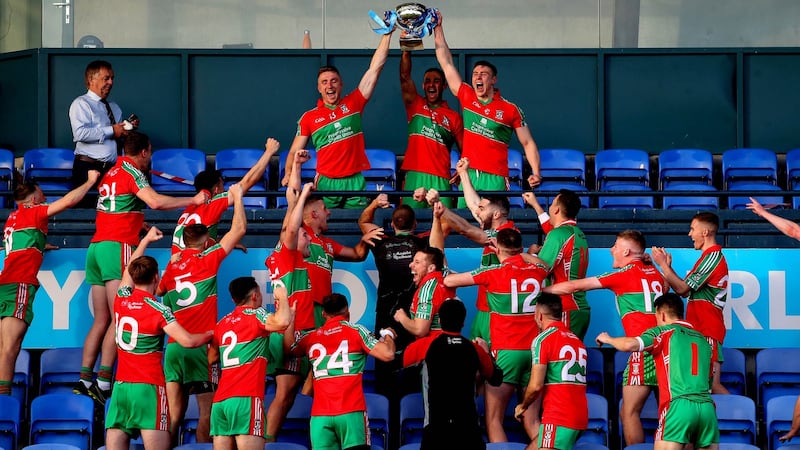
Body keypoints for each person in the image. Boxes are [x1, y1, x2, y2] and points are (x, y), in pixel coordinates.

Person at [74, 131, 207, 405]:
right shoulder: (133, 172)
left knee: (101, 320)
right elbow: (156, 202)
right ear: (145, 152)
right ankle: (103, 382)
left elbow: (118, 207)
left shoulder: (112, 171)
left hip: (96, 247)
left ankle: (84, 379)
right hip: (116, 247)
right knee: (118, 315)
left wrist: (138, 224)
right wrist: (192, 201)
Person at [544, 229, 665, 447]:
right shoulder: (655, 273)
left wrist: (540, 290)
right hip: (667, 347)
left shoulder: (623, 275)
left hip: (643, 348)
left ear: (627, 251)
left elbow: (573, 286)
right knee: (667, 413)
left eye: (616, 245)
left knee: (628, 413)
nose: (612, 249)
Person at [105, 226, 214, 450]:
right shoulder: (159, 310)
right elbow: (188, 341)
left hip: (121, 387)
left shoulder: (121, 299)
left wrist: (145, 241)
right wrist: (212, 333)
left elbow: (127, 271)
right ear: (157, 277)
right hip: (149, 389)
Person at [155, 183, 248, 443]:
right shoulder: (209, 258)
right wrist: (238, 197)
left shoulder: (173, 267)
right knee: (207, 410)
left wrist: (172, 266)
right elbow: (239, 229)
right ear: (207, 242)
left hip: (174, 346)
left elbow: (160, 292)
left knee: (174, 413)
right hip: (199, 346)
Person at [444, 228, 549, 444]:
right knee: (532, 420)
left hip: (506, 352)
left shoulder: (492, 273)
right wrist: (522, 254)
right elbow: (545, 265)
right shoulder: (538, 272)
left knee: (493, 420)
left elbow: (449, 282)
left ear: (497, 248)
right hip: (535, 352)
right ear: (520, 249)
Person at [0, 170, 100, 396]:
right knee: (10, 348)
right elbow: (68, 201)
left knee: (4, 348)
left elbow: (21, 244)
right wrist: (90, 181)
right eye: (43, 196)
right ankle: (3, 402)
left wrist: (41, 245)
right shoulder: (33, 212)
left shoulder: (12, 218)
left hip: (5, 284)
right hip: (19, 284)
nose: (45, 200)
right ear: (34, 199)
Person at [432, 11, 541, 207]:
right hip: (468, 175)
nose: (478, 77)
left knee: (494, 226)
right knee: (465, 226)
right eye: (475, 74)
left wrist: (535, 172)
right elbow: (446, 62)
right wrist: (438, 28)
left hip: (496, 178)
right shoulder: (467, 96)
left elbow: (528, 143)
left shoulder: (510, 109)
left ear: (493, 80)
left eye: (483, 74)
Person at [281, 31, 394, 209]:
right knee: (323, 227)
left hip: (354, 180)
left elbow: (375, 69)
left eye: (334, 81)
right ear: (319, 88)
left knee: (357, 227)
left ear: (341, 85)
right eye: (324, 82)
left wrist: (386, 36)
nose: (330, 85)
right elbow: (295, 150)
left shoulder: (354, 102)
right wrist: (288, 173)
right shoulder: (309, 117)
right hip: (326, 182)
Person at [596, 293, 720, 450]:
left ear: (661, 314)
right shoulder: (703, 340)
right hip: (707, 408)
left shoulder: (663, 332)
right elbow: (710, 377)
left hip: (678, 406)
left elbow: (630, 345)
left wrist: (608, 339)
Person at [287, 293, 396, 450]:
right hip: (351, 413)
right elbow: (388, 354)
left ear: (323, 314)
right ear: (347, 312)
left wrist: (291, 318)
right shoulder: (356, 331)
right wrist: (389, 335)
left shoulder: (311, 337)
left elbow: (289, 347)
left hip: (320, 417)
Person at [432, 157, 518, 344]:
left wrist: (443, 210)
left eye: (482, 209)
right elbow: (473, 205)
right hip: (483, 310)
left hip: (497, 313)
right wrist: (463, 173)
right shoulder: (494, 226)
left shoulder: (507, 235)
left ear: (496, 214)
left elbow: (468, 231)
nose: (477, 212)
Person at [402, 299, 503, 450]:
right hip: (468, 430)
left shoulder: (425, 345)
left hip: (436, 429)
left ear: (440, 320)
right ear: (463, 322)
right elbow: (496, 378)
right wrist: (488, 354)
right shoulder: (475, 349)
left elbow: (394, 362)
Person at [210, 276, 293, 450]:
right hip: (246, 399)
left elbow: (211, 358)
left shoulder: (222, 323)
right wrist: (283, 296)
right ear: (255, 295)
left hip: (220, 402)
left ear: (234, 300)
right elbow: (283, 322)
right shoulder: (256, 314)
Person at [263, 169, 316, 443]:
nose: (309, 240)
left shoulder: (282, 256)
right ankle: (267, 441)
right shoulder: (289, 257)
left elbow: (288, 227)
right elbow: (292, 229)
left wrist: (292, 200)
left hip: (295, 330)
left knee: (293, 391)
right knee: (283, 395)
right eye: (307, 237)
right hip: (292, 331)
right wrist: (304, 194)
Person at [651, 212, 729, 394]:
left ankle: (737, 416)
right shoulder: (706, 258)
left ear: (706, 232)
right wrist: (667, 268)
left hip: (708, 329)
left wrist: (663, 265)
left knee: (711, 386)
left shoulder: (713, 257)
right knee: (703, 386)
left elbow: (682, 290)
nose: (689, 234)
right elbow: (684, 291)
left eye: (693, 229)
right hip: (700, 330)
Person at [358, 194, 428, 395]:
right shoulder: (422, 243)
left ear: (391, 223)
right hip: (413, 315)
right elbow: (445, 226)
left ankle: (386, 411)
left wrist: (374, 203)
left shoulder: (380, 240)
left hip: (386, 313)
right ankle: (410, 409)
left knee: (384, 363)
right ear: (415, 223)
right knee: (412, 363)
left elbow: (363, 222)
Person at [171, 137, 279, 253]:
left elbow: (197, 241)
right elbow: (247, 182)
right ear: (216, 190)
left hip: (176, 267)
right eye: (223, 186)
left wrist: (225, 242)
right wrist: (269, 152)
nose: (225, 190)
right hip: (195, 268)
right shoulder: (212, 203)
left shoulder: (189, 209)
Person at [515, 293, 588, 450]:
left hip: (558, 416)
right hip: (579, 415)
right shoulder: (576, 340)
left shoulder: (543, 339)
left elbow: (535, 386)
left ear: (539, 315)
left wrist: (523, 405)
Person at [523, 189, 591, 340]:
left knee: (560, 360)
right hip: (578, 307)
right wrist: (536, 205)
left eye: (552, 203)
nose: (550, 207)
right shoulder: (576, 232)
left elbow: (541, 269)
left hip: (565, 307)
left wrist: (527, 255)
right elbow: (553, 230)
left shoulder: (558, 235)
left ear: (557, 209)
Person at [399, 50, 463, 208]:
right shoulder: (415, 104)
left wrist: (462, 173)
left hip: (441, 178)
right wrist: (406, 51)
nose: (431, 85)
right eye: (427, 81)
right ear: (423, 85)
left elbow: (465, 150)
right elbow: (405, 77)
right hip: (415, 175)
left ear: (444, 86)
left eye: (436, 81)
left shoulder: (454, 117)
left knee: (443, 224)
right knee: (409, 222)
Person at [69, 60, 137, 207]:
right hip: (88, 169)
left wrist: (126, 130)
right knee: (86, 215)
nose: (111, 82)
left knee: (110, 211)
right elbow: (79, 134)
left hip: (111, 169)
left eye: (112, 78)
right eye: (106, 78)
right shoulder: (81, 103)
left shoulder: (114, 107)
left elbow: (116, 137)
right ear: (91, 80)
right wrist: (112, 130)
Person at [394, 201, 454, 339]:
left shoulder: (428, 290)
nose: (411, 265)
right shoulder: (443, 274)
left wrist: (402, 317)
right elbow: (437, 248)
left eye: (417, 262)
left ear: (431, 268)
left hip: (431, 349)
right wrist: (436, 217)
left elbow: (420, 330)